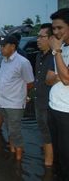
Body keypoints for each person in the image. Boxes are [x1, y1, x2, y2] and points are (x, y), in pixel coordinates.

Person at [0, 35, 34, 161]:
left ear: (13, 47)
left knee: (15, 131)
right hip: (3, 102)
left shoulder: (23, 62)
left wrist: (22, 95)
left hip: (15, 103)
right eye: (1, 46)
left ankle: (18, 161)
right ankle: (13, 152)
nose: (1, 48)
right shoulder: (4, 60)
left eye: (3, 46)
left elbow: (30, 82)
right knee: (9, 128)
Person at [45, 8, 69, 181]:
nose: (56, 32)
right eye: (54, 29)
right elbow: (49, 78)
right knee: (60, 156)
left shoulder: (58, 49)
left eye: (60, 28)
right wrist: (61, 75)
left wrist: (58, 51)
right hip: (54, 108)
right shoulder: (60, 49)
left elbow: (66, 79)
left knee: (67, 157)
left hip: (67, 113)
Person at [34, 23, 54, 167]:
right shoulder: (39, 56)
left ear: (51, 38)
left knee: (49, 136)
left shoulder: (56, 57)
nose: (38, 39)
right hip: (38, 102)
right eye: (38, 36)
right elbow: (38, 80)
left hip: (50, 105)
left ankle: (48, 167)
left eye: (42, 37)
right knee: (45, 134)